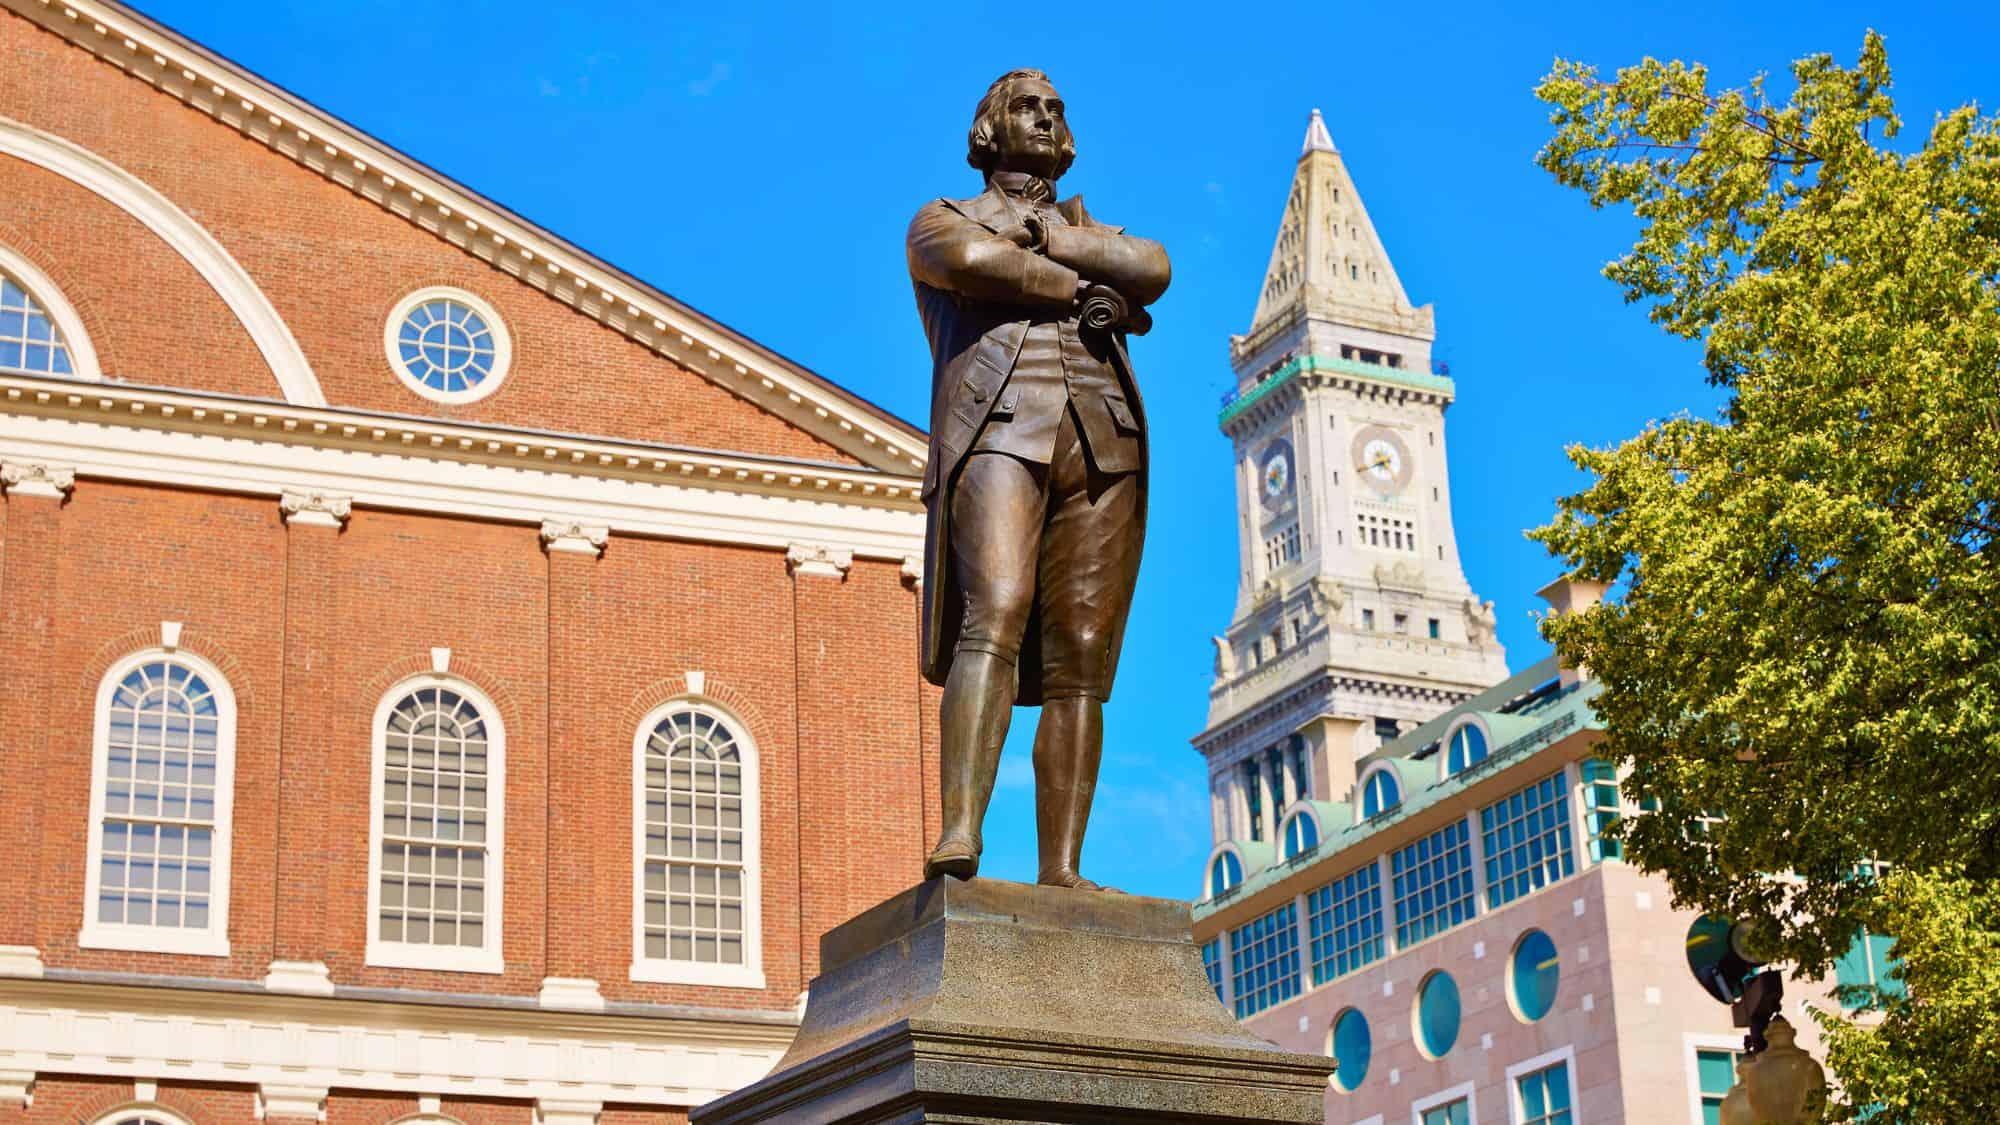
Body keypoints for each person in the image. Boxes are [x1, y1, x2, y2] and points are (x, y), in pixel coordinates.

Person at [906, 67, 1170, 890]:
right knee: (998, 611)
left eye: (1057, 108)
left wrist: (1056, 241)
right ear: (990, 129)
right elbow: (977, 260)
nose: (1047, 117)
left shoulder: (1095, 230)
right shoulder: (942, 219)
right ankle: (960, 830)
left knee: (1082, 657)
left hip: (1103, 442)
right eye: (1028, 107)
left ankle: (1064, 869)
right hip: (999, 431)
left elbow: (1152, 266)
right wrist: (1082, 290)